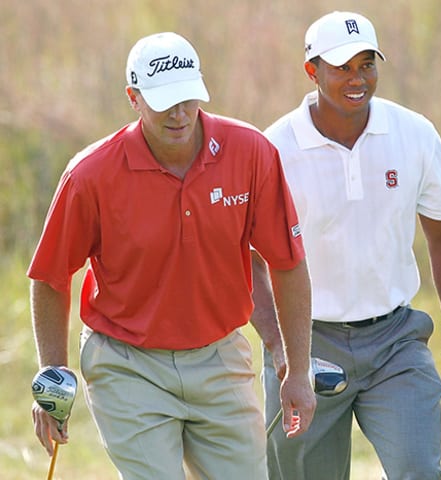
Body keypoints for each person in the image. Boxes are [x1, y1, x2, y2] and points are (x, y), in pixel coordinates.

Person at [28, 32, 315, 479]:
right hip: (126, 364)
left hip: (219, 358)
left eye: (188, 98)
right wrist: (52, 372)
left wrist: (295, 364)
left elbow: (286, 262)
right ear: (134, 98)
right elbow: (50, 278)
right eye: (164, 101)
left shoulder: (250, 152)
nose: (180, 114)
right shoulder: (91, 174)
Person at [250, 11, 441, 480]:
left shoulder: (413, 133)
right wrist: (281, 351)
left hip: (396, 340)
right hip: (307, 342)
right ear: (312, 71)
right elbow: (248, 262)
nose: (358, 79)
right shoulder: (273, 149)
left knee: (420, 470)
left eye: (367, 64)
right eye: (342, 67)